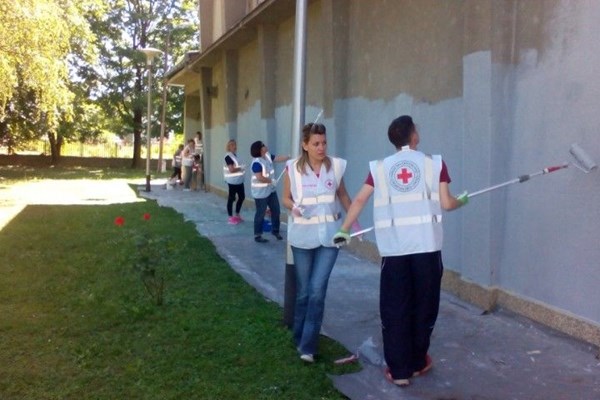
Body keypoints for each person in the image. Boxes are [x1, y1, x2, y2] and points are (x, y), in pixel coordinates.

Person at [333, 115, 468, 387]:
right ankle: (417, 362)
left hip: (394, 250)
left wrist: (344, 229)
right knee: (424, 305)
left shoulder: (380, 168)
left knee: (395, 307)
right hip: (427, 248)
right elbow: (446, 203)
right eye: (416, 129)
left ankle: (399, 371)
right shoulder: (434, 164)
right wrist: (460, 200)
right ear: (413, 137)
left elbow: (359, 199)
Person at [282, 123, 353, 363]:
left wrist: (353, 223)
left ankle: (308, 347)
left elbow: (343, 195)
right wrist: (294, 207)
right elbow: (285, 198)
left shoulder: (335, 166)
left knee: (317, 290)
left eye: (323, 142)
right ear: (305, 145)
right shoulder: (292, 168)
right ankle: (299, 334)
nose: (321, 147)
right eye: (316, 143)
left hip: (330, 236)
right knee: (304, 292)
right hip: (303, 235)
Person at [250, 140, 289, 243]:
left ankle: (275, 230)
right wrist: (270, 181)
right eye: (263, 145)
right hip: (260, 193)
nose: (265, 145)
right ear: (260, 149)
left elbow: (277, 158)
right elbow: (259, 177)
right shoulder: (256, 163)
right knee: (260, 213)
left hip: (271, 190)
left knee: (276, 210)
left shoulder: (267, 156)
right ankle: (258, 235)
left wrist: (289, 157)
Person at [223, 139, 246, 224]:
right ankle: (230, 217)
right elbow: (231, 169)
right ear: (228, 147)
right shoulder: (228, 156)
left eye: (235, 144)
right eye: (232, 145)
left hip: (239, 181)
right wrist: (241, 168)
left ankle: (237, 214)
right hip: (232, 181)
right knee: (231, 198)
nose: (234, 146)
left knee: (242, 197)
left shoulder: (235, 156)